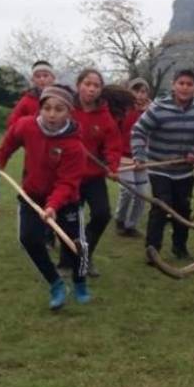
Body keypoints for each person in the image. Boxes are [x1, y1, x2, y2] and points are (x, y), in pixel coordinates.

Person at [0, 84, 90, 309]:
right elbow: (9, 142)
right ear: (40, 108)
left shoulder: (74, 146)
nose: (51, 114)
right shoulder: (26, 126)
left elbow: (67, 183)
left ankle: (79, 281)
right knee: (28, 239)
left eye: (59, 109)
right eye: (47, 108)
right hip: (31, 195)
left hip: (66, 201)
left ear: (69, 112)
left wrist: (53, 206)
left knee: (75, 245)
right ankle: (56, 283)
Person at [131, 68, 194, 261]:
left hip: (184, 171)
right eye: (181, 83)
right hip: (159, 168)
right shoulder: (158, 108)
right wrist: (139, 156)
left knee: (183, 208)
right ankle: (152, 249)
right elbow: (139, 131)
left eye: (189, 84)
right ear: (173, 85)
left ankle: (180, 248)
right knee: (161, 206)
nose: (185, 88)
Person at [71, 69, 121, 277]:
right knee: (71, 220)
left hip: (94, 176)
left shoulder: (104, 115)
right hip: (70, 176)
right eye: (87, 84)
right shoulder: (67, 109)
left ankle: (86, 252)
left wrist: (112, 166)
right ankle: (68, 262)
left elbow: (113, 144)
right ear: (78, 85)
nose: (91, 89)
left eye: (96, 85)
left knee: (102, 214)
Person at [114, 78, 152, 238]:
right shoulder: (123, 110)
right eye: (136, 91)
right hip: (123, 157)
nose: (140, 95)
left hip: (142, 157)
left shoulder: (151, 112)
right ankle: (120, 219)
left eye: (143, 91)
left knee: (142, 194)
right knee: (128, 191)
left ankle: (131, 225)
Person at [6, 60, 56, 128]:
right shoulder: (27, 100)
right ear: (33, 80)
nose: (42, 79)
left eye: (45, 75)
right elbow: (12, 123)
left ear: (53, 78)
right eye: (38, 76)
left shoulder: (63, 97)